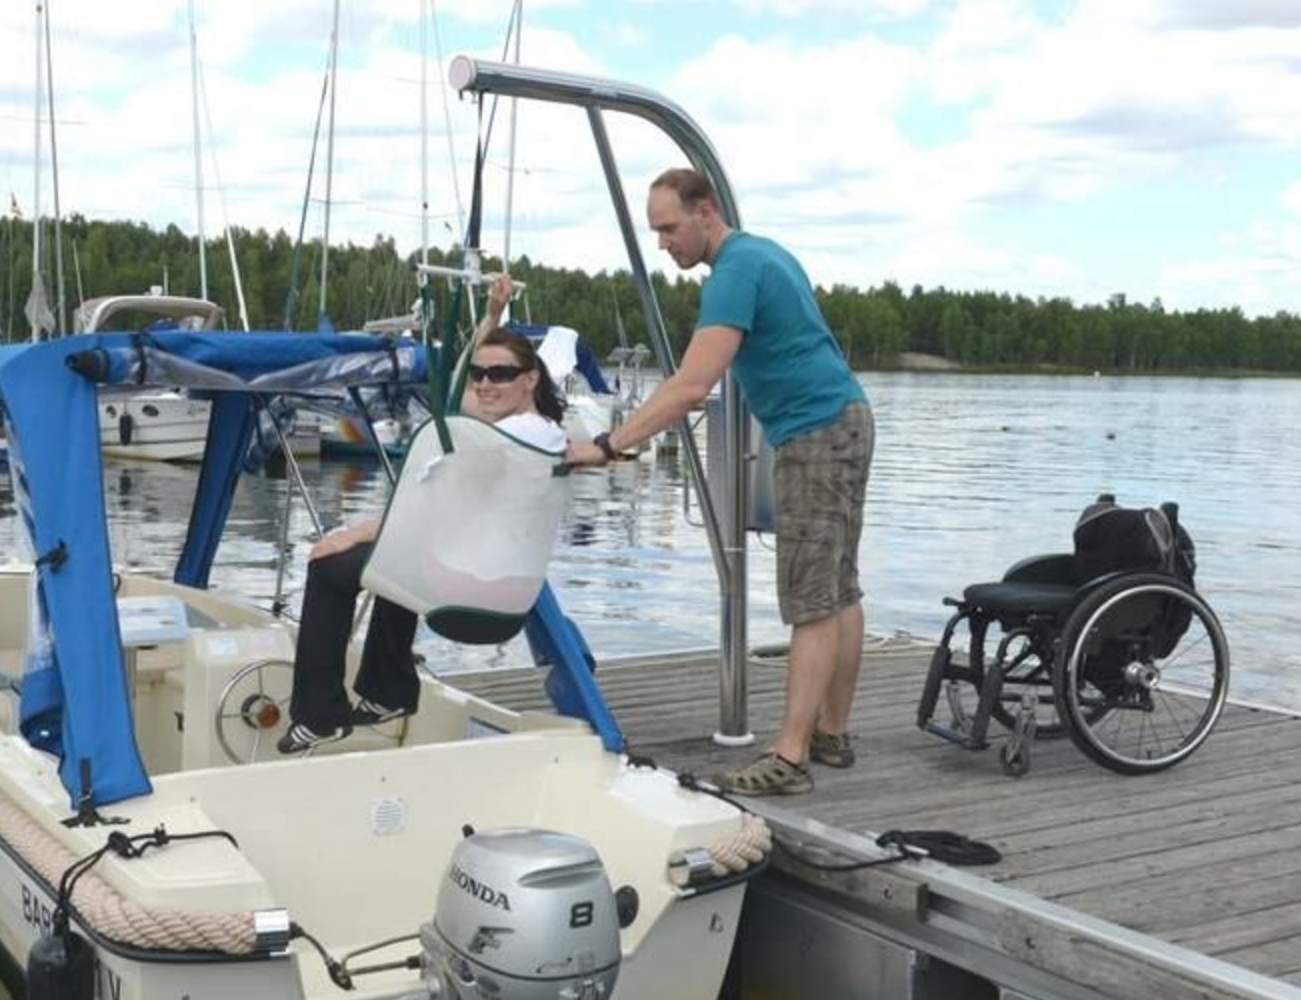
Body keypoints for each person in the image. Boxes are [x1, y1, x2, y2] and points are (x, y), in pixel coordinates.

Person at [564, 168, 875, 796]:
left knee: (812, 599)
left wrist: (607, 445)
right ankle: (831, 733)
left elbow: (690, 386)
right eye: (655, 232)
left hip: (816, 431)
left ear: (705, 212)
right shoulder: (763, 254)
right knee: (838, 589)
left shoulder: (733, 272)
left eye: (669, 228)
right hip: (843, 419)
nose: (663, 244)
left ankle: (790, 758)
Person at [279, 277, 567, 753]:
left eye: (500, 374)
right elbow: (462, 394)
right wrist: (492, 316)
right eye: (481, 373)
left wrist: (353, 534)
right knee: (397, 562)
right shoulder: (544, 432)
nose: (485, 384)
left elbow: (438, 509)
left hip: (468, 590)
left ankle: (319, 715)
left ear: (530, 378)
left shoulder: (502, 439)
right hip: (508, 584)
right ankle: (386, 691)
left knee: (329, 567)